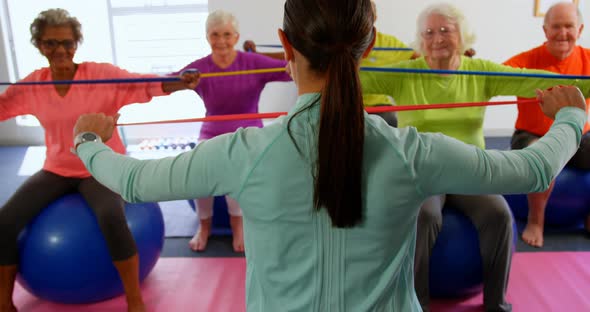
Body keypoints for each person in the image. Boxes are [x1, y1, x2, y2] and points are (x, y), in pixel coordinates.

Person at [72, 0, 585, 310]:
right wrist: (571, 117)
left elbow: (134, 182)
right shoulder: (410, 152)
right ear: (367, 50)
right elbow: (533, 168)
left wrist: (88, 141)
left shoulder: (244, 151)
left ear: (285, 45)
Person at [359, 3, 590, 311]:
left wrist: (582, 86)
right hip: (423, 171)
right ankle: (417, 305)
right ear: (420, 40)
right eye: (428, 33)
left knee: (500, 216)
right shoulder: (405, 73)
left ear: (462, 35)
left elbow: (527, 79)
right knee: (423, 217)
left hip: (470, 169)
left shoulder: (479, 71)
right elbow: (355, 80)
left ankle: (497, 304)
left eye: (445, 30)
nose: (437, 38)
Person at [0, 8, 199, 312]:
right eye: (51, 43)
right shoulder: (33, 85)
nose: (60, 50)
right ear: (40, 46)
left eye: (67, 43)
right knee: (4, 221)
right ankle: (4, 302)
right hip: (57, 168)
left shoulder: (100, 75)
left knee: (111, 216)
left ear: (76, 44)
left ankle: (135, 300)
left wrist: (180, 82)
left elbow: (142, 84)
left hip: (100, 165)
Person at [172, 9, 292, 253]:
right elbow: (167, 83)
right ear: (207, 37)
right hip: (211, 131)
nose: (221, 41)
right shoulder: (200, 68)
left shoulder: (253, 63)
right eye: (215, 35)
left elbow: (290, 70)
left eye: (227, 34)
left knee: (236, 167)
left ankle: (239, 226)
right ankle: (204, 227)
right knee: (198, 171)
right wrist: (175, 81)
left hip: (249, 133)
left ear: (236, 36)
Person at [504, 1, 590, 248]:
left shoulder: (587, 59)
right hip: (531, 134)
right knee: (545, 156)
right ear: (545, 30)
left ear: (580, 29)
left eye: (569, 26)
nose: (563, 33)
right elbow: (490, 77)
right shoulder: (525, 61)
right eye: (556, 27)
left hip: (577, 136)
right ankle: (536, 220)